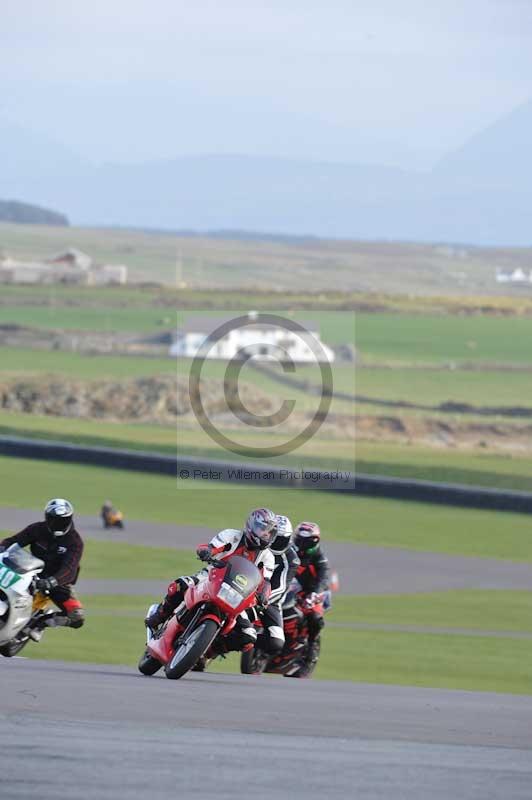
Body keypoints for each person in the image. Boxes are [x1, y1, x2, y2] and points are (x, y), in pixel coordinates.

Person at [145, 508, 277, 656]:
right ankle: (160, 615)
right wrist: (206, 551)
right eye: (262, 529)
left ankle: (209, 652)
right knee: (180, 585)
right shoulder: (231, 535)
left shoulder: (268, 557)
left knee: (248, 637)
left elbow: (265, 581)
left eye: (269, 532)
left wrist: (264, 595)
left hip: (238, 595)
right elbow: (212, 547)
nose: (265, 534)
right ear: (251, 526)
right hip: (210, 577)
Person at [0, 499, 85, 639]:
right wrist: (2, 547)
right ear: (47, 517)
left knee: (77, 617)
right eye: (53, 519)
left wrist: (52, 581)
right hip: (29, 570)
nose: (57, 524)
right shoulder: (37, 529)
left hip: (57, 581)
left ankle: (41, 623)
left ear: (70, 519)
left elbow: (70, 569)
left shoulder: (75, 542)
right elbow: (14, 541)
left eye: (62, 520)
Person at [252, 514, 300, 655]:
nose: (275, 541)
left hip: (269, 601)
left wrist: (261, 598)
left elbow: (280, 588)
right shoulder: (255, 543)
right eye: (273, 536)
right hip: (241, 590)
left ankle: (230, 643)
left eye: (280, 539)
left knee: (276, 641)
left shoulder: (292, 559)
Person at [293, 521, 329, 657]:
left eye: (305, 541)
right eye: (299, 539)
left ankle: (312, 643)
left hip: (312, 593)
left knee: (315, 617)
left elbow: (323, 578)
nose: (301, 543)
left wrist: (315, 593)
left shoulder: (320, 559)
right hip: (290, 590)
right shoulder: (290, 552)